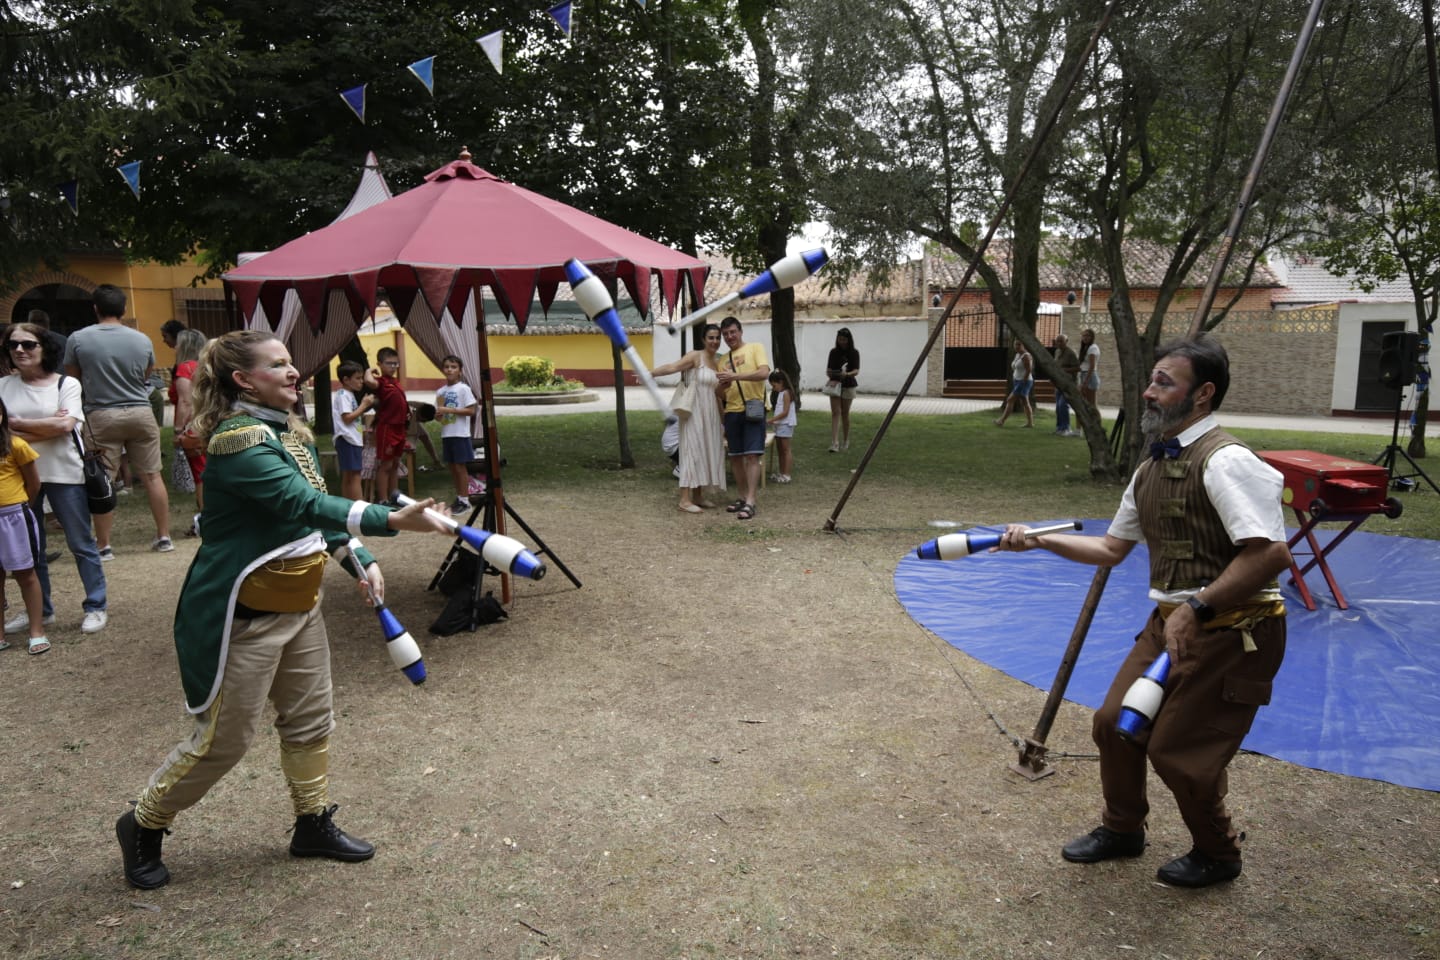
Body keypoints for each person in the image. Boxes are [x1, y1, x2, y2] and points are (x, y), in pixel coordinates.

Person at [114, 330, 452, 891]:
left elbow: (310, 520)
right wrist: (390, 520)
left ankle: (311, 823)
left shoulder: (283, 432)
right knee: (222, 743)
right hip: (245, 620)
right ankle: (143, 822)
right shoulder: (240, 441)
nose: (295, 372)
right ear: (244, 380)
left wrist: (357, 557)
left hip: (301, 608)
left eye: (293, 363)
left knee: (311, 721)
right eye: (279, 365)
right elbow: (304, 503)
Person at [992, 335, 1291, 889]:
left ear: (1202, 395)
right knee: (1112, 726)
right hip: (1172, 624)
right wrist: (1038, 540)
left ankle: (1218, 853)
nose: (1149, 393)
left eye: (1164, 383)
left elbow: (1271, 553)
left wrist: (1196, 606)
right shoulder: (1152, 465)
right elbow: (1111, 549)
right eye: (1151, 381)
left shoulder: (1227, 462)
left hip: (1235, 631)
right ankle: (1123, 829)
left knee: (1178, 752)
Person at [0, 322, 108, 636]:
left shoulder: (67, 384)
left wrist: (16, 424)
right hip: (20, 479)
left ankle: (96, 605)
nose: (20, 350)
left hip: (64, 473)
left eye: (28, 344)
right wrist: (47, 424)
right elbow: (7, 433)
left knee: (80, 542)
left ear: (45, 348)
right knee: (32, 549)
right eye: (13, 345)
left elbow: (65, 428)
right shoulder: (3, 386)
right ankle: (42, 610)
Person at [63, 284, 172, 555]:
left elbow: (72, 380)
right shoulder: (142, 339)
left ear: (96, 308)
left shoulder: (78, 338)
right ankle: (164, 537)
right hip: (140, 412)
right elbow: (146, 375)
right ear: (124, 309)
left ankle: (104, 545)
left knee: (103, 479)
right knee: (152, 475)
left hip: (101, 414)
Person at [650, 323, 726, 513]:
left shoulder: (717, 362)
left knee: (703, 452)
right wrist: (650, 373)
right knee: (691, 451)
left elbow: (717, 394)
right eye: (711, 337)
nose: (715, 341)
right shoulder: (695, 356)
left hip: (710, 414)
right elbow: (673, 367)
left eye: (717, 338)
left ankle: (698, 496)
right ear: (703, 339)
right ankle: (684, 499)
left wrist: (723, 420)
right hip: (693, 412)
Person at [0, 397, 48, 655]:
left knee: (25, 574)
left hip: (14, 516)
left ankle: (37, 631)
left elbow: (34, 484)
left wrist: (21, 508)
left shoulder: (16, 445)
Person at [715, 317, 770, 521]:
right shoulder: (722, 360)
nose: (729, 337)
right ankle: (741, 496)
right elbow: (720, 393)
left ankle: (751, 501)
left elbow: (763, 373)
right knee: (736, 456)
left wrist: (735, 377)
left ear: (740, 331)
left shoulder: (755, 348)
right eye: (726, 334)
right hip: (732, 411)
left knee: (752, 455)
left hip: (753, 408)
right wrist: (721, 387)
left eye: (732, 332)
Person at [170, 328, 208, 535]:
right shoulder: (205, 367)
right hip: (207, 422)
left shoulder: (185, 368)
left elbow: (185, 401)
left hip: (193, 427)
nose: (174, 347)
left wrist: (178, 430)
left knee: (200, 474)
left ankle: (205, 519)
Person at [364, 347, 408, 505]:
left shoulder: (395, 382)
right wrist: (370, 370)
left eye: (396, 364)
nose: (394, 367)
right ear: (380, 364)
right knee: (386, 465)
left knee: (396, 463)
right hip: (388, 428)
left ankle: (395, 497)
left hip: (400, 427)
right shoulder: (381, 382)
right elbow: (368, 381)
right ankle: (383, 499)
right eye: (389, 363)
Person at [434, 355, 479, 514]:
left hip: (460, 434)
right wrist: (438, 416)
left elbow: (471, 410)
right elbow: (440, 415)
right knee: (452, 467)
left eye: (453, 367)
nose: (449, 370)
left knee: (460, 467)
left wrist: (450, 410)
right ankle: (459, 497)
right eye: (446, 366)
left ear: (460, 371)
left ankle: (466, 500)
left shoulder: (463, 389)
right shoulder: (440, 392)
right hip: (447, 434)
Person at [332, 362, 373, 501]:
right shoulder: (344, 395)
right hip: (347, 439)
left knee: (349, 475)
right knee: (355, 475)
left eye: (362, 378)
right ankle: (359, 507)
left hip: (350, 439)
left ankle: (348, 505)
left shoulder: (348, 394)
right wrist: (364, 405)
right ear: (346, 380)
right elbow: (347, 418)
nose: (361, 381)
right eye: (358, 378)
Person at [825, 327, 860, 452]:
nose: (842, 342)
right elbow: (828, 370)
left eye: (844, 339)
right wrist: (832, 375)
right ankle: (835, 443)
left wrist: (847, 374)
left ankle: (846, 440)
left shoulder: (854, 352)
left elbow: (856, 370)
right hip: (835, 384)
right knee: (835, 412)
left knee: (845, 413)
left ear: (848, 340)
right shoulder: (833, 352)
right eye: (840, 339)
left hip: (848, 384)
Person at [994, 339, 1034, 428]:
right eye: (1015, 344)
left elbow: (1029, 370)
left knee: (1010, 399)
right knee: (1025, 402)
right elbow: (1016, 367)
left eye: (1019, 344)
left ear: (1023, 345)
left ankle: (1001, 421)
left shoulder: (1026, 356)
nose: (1016, 346)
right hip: (1017, 380)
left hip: (1024, 381)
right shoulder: (1017, 355)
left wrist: (1023, 381)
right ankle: (1030, 423)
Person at [767, 369, 797, 484]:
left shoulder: (786, 393)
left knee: (786, 450)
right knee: (780, 450)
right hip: (779, 425)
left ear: (781, 382)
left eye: (774, 385)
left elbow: (785, 412)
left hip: (785, 424)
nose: (773, 388)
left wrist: (771, 420)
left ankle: (787, 474)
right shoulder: (780, 393)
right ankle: (781, 472)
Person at [1051, 333, 1081, 437]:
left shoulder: (1071, 353)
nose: (1059, 343)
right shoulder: (1057, 352)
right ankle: (1059, 428)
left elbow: (1078, 368)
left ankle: (1066, 428)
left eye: (1061, 341)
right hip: (1058, 383)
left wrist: (1065, 370)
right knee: (1058, 407)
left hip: (1068, 383)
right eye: (1057, 341)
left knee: (1062, 405)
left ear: (1066, 342)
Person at [1079, 328, 1101, 413]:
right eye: (1083, 336)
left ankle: (1097, 424)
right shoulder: (1085, 348)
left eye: (1087, 336)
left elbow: (1092, 366)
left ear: (1092, 337)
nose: (1085, 337)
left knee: (1092, 404)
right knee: (1084, 403)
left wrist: (1085, 382)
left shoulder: (1093, 348)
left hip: (1090, 376)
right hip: (1084, 374)